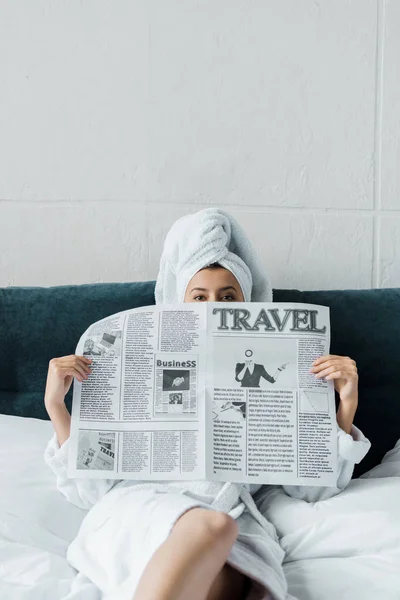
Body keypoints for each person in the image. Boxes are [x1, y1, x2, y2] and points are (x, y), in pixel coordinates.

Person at [44, 208, 371, 600]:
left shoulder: (278, 374)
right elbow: (90, 493)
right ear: (178, 303)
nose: (212, 307)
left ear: (248, 306)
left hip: (234, 525)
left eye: (228, 297)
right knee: (211, 531)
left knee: (229, 562)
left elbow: (311, 492)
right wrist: (57, 408)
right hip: (141, 513)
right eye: (198, 297)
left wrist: (344, 406)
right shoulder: (135, 364)